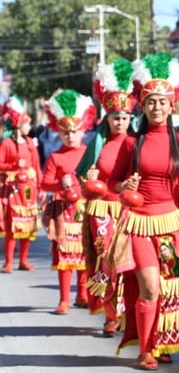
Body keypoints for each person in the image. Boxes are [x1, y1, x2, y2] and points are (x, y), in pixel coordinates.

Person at [108, 52, 179, 370]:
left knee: (167, 287)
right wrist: (126, 187)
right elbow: (114, 183)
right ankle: (146, 349)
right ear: (142, 104)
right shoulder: (130, 144)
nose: (157, 106)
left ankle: (163, 342)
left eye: (162, 101)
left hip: (172, 222)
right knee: (149, 285)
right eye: (151, 101)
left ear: (172, 103)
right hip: (138, 223)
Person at [77, 58, 135, 336]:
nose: (120, 121)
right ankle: (111, 315)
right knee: (106, 264)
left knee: (129, 266)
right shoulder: (97, 145)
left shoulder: (137, 143)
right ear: (107, 118)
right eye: (115, 117)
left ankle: (127, 313)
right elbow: (85, 178)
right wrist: (89, 183)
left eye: (124, 117)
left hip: (129, 211)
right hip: (102, 210)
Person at [41, 89, 97, 314]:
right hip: (64, 212)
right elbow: (44, 184)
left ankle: (82, 294)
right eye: (65, 132)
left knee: (85, 254)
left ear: (83, 129)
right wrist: (60, 185)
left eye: (75, 131)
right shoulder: (56, 156)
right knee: (65, 256)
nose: (70, 136)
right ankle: (64, 300)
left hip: (86, 210)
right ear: (59, 132)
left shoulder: (90, 154)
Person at [0, 94, 42, 273]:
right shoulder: (7, 144)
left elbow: (37, 166)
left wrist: (40, 187)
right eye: (27, 124)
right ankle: (9, 261)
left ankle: (23, 260)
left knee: (27, 226)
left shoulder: (31, 143)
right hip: (12, 189)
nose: (29, 127)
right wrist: (14, 165)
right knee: (12, 227)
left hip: (29, 190)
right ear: (18, 125)